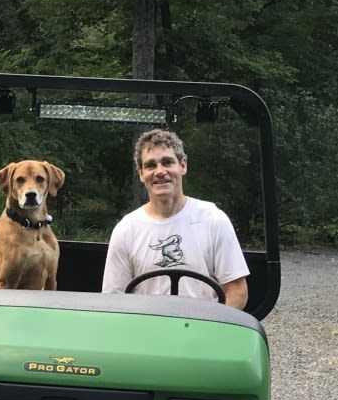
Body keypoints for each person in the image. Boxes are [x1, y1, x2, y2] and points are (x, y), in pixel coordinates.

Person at [102, 128, 249, 308]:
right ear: (141, 173)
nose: (160, 171)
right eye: (150, 165)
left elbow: (237, 291)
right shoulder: (126, 230)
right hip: (147, 330)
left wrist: (209, 332)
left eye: (167, 162)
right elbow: (113, 300)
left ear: (183, 165)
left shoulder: (213, 219)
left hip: (203, 329)